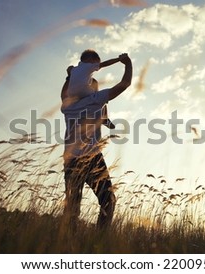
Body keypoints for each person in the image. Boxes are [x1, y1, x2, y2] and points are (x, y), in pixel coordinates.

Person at [60, 52, 132, 230]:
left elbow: (65, 90)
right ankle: (99, 241)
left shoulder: (66, 105)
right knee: (108, 201)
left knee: (72, 209)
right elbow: (125, 84)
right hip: (92, 159)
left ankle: (67, 245)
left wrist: (70, 75)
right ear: (91, 88)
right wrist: (128, 63)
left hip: (70, 161)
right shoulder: (95, 100)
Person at [65, 49, 119, 129]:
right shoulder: (89, 65)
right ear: (91, 60)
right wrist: (119, 59)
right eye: (96, 62)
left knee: (94, 82)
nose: (97, 65)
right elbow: (105, 63)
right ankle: (104, 118)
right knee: (101, 97)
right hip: (82, 90)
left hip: (71, 94)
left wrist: (69, 75)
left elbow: (68, 68)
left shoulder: (74, 69)